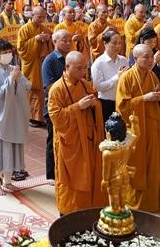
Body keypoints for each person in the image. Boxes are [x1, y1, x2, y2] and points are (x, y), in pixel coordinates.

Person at [48, 51, 107, 215]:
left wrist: (94, 104)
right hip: (69, 142)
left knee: (89, 173)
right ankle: (69, 211)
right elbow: (56, 117)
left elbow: (95, 103)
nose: (84, 72)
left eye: (85, 68)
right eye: (79, 68)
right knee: (70, 179)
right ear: (67, 67)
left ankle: (88, 207)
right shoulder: (57, 89)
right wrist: (77, 107)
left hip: (87, 139)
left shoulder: (84, 84)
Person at [115, 44, 160, 212]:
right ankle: (135, 202)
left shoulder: (153, 76)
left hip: (153, 128)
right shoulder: (127, 77)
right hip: (136, 131)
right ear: (135, 58)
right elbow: (121, 107)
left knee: (154, 165)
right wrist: (144, 99)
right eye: (145, 57)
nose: (150, 60)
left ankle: (152, 200)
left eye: (151, 56)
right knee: (137, 166)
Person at [0, 38, 31, 195]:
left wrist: (17, 78)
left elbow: (27, 86)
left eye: (9, 52)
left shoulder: (13, 68)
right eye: (4, 53)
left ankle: (8, 180)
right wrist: (11, 80)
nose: (8, 55)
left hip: (13, 116)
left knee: (11, 149)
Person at [41, 29, 72, 185]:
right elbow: (48, 86)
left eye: (70, 40)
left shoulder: (72, 58)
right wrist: (68, 89)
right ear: (54, 42)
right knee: (52, 140)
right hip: (54, 107)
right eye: (64, 40)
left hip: (70, 105)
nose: (68, 43)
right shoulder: (50, 60)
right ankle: (51, 174)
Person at [17, 6, 53, 127]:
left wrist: (48, 39)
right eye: (39, 17)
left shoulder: (44, 28)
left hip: (42, 63)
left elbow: (52, 41)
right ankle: (31, 117)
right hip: (31, 63)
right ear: (32, 15)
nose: (42, 19)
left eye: (44, 17)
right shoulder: (24, 29)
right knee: (32, 88)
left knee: (42, 90)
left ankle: (41, 117)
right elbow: (21, 48)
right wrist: (36, 39)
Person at [91, 30, 129, 122]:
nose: (118, 46)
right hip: (106, 103)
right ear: (105, 43)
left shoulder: (123, 60)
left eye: (119, 43)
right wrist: (117, 77)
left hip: (123, 101)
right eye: (114, 43)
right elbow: (98, 87)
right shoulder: (98, 63)